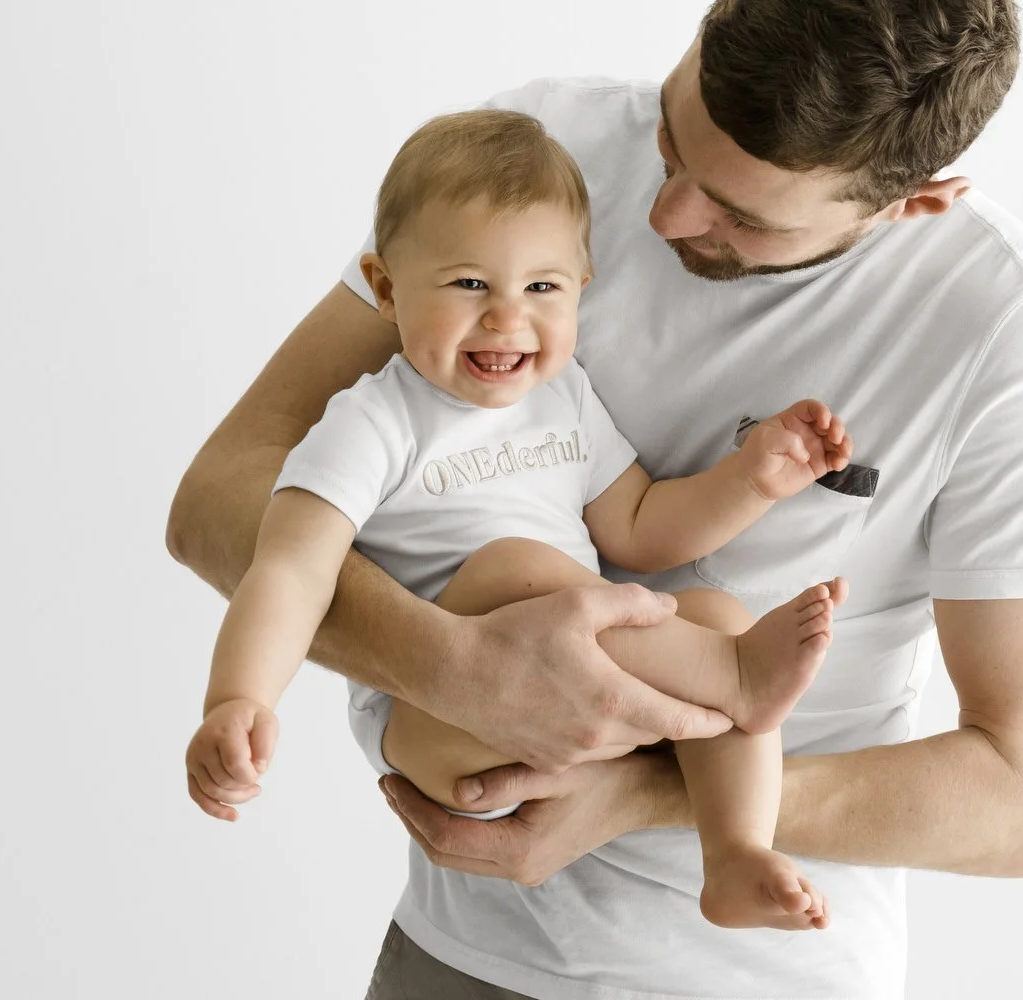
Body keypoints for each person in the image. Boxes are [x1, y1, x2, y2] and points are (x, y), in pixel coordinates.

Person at [166, 1, 1023, 997]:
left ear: (916, 201)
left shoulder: (1013, 337)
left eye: (743, 216)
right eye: (671, 141)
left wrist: (639, 797)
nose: (664, 216)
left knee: (709, 617)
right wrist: (449, 667)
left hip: (754, 973)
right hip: (463, 951)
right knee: (531, 578)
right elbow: (221, 504)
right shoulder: (531, 163)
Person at [184, 108, 860, 931]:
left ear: (582, 286)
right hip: (439, 721)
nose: (506, 318)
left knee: (713, 611)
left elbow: (642, 527)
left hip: (588, 697)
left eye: (541, 287)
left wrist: (750, 480)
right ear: (389, 285)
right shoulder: (372, 423)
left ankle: (735, 853)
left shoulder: (564, 397)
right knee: (516, 568)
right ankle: (738, 681)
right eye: (469, 284)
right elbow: (289, 567)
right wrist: (240, 697)